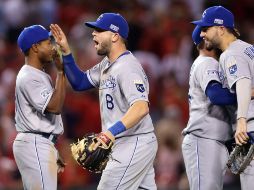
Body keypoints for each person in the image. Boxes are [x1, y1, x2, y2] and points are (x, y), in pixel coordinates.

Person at [50, 13, 158, 190]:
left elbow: (141, 107)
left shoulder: (128, 67)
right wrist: (67, 53)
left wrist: (109, 133)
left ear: (115, 36)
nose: (93, 34)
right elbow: (80, 82)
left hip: (133, 142)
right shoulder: (107, 64)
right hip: (128, 143)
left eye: (99, 30)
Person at [192, 5, 254, 190]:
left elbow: (242, 83)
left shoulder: (231, 54)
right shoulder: (248, 48)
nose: (202, 34)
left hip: (250, 127)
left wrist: (241, 121)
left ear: (221, 28)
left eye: (205, 28)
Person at [182, 25, 237, 190]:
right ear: (205, 43)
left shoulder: (205, 63)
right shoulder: (207, 62)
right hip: (203, 139)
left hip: (210, 139)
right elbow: (217, 96)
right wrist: (246, 92)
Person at [13, 25, 66, 190]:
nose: (52, 47)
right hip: (35, 142)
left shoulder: (36, 74)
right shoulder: (29, 76)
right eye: (47, 42)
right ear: (35, 47)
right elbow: (54, 107)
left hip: (39, 142)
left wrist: (52, 147)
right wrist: (61, 73)